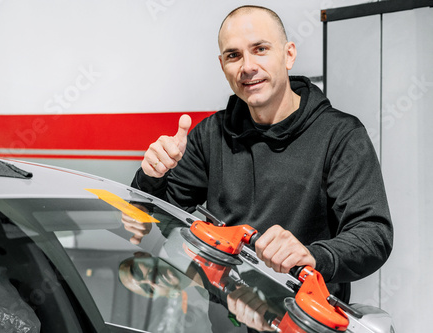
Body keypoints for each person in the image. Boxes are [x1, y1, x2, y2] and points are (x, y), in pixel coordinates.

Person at [130, 4, 393, 329]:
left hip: (303, 324)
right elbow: (151, 224)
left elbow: (373, 235)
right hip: (226, 324)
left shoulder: (340, 135)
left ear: (289, 54)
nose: (247, 66)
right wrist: (151, 177)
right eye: (233, 55)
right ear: (223, 65)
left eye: (260, 49)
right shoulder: (211, 135)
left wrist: (312, 255)